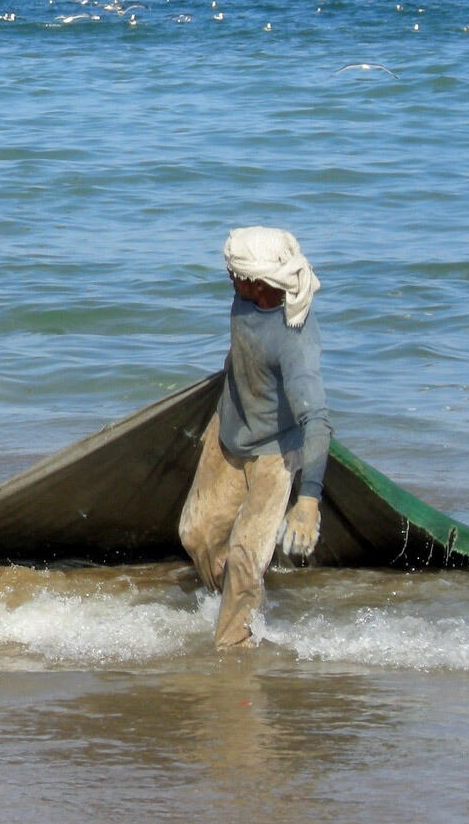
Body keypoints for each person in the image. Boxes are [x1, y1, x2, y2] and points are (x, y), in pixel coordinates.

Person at [178, 226, 333, 648]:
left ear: (260, 282)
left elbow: (317, 420)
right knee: (195, 533)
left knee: (246, 555)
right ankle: (229, 600)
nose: (229, 277)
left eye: (236, 274)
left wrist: (309, 501)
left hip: (275, 452)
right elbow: (242, 354)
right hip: (230, 430)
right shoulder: (244, 299)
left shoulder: (294, 340)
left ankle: (233, 646)